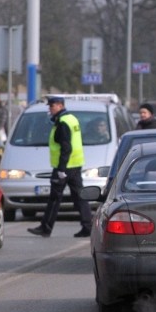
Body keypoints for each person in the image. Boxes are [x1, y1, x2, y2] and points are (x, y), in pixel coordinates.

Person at [27, 96, 92, 238]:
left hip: (64, 166)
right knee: (79, 196)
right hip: (74, 164)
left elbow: (66, 147)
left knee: (54, 198)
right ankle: (88, 226)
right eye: (49, 106)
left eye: (52, 106)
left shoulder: (62, 122)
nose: (50, 109)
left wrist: (61, 169)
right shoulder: (71, 119)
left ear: (60, 106)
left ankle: (46, 227)